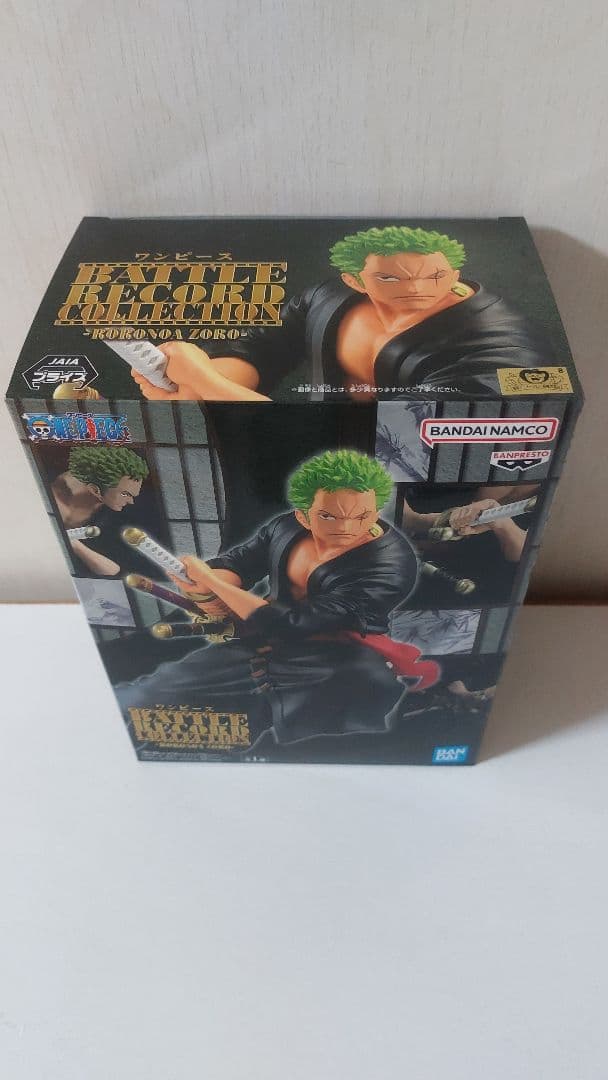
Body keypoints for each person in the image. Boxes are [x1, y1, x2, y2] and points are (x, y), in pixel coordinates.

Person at [117, 450, 437, 747]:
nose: (346, 527)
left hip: (339, 661)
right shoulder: (286, 528)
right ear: (303, 515)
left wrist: (212, 581)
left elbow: (299, 621)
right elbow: (241, 563)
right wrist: (203, 585)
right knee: (148, 695)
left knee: (325, 737)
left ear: (377, 509)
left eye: (362, 516)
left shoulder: (391, 563)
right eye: (328, 516)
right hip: (264, 644)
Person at [129, 225, 555, 402]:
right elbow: (263, 348)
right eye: (390, 278)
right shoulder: (329, 296)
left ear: (456, 273)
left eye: (436, 276)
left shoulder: (504, 351)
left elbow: (398, 439)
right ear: (355, 280)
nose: (416, 289)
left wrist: (207, 383)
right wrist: (193, 384)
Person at [52, 446, 149, 576]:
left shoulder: (114, 519)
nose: (131, 501)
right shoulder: (55, 492)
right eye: (125, 494)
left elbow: (114, 571)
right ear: (95, 490)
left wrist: (73, 543)